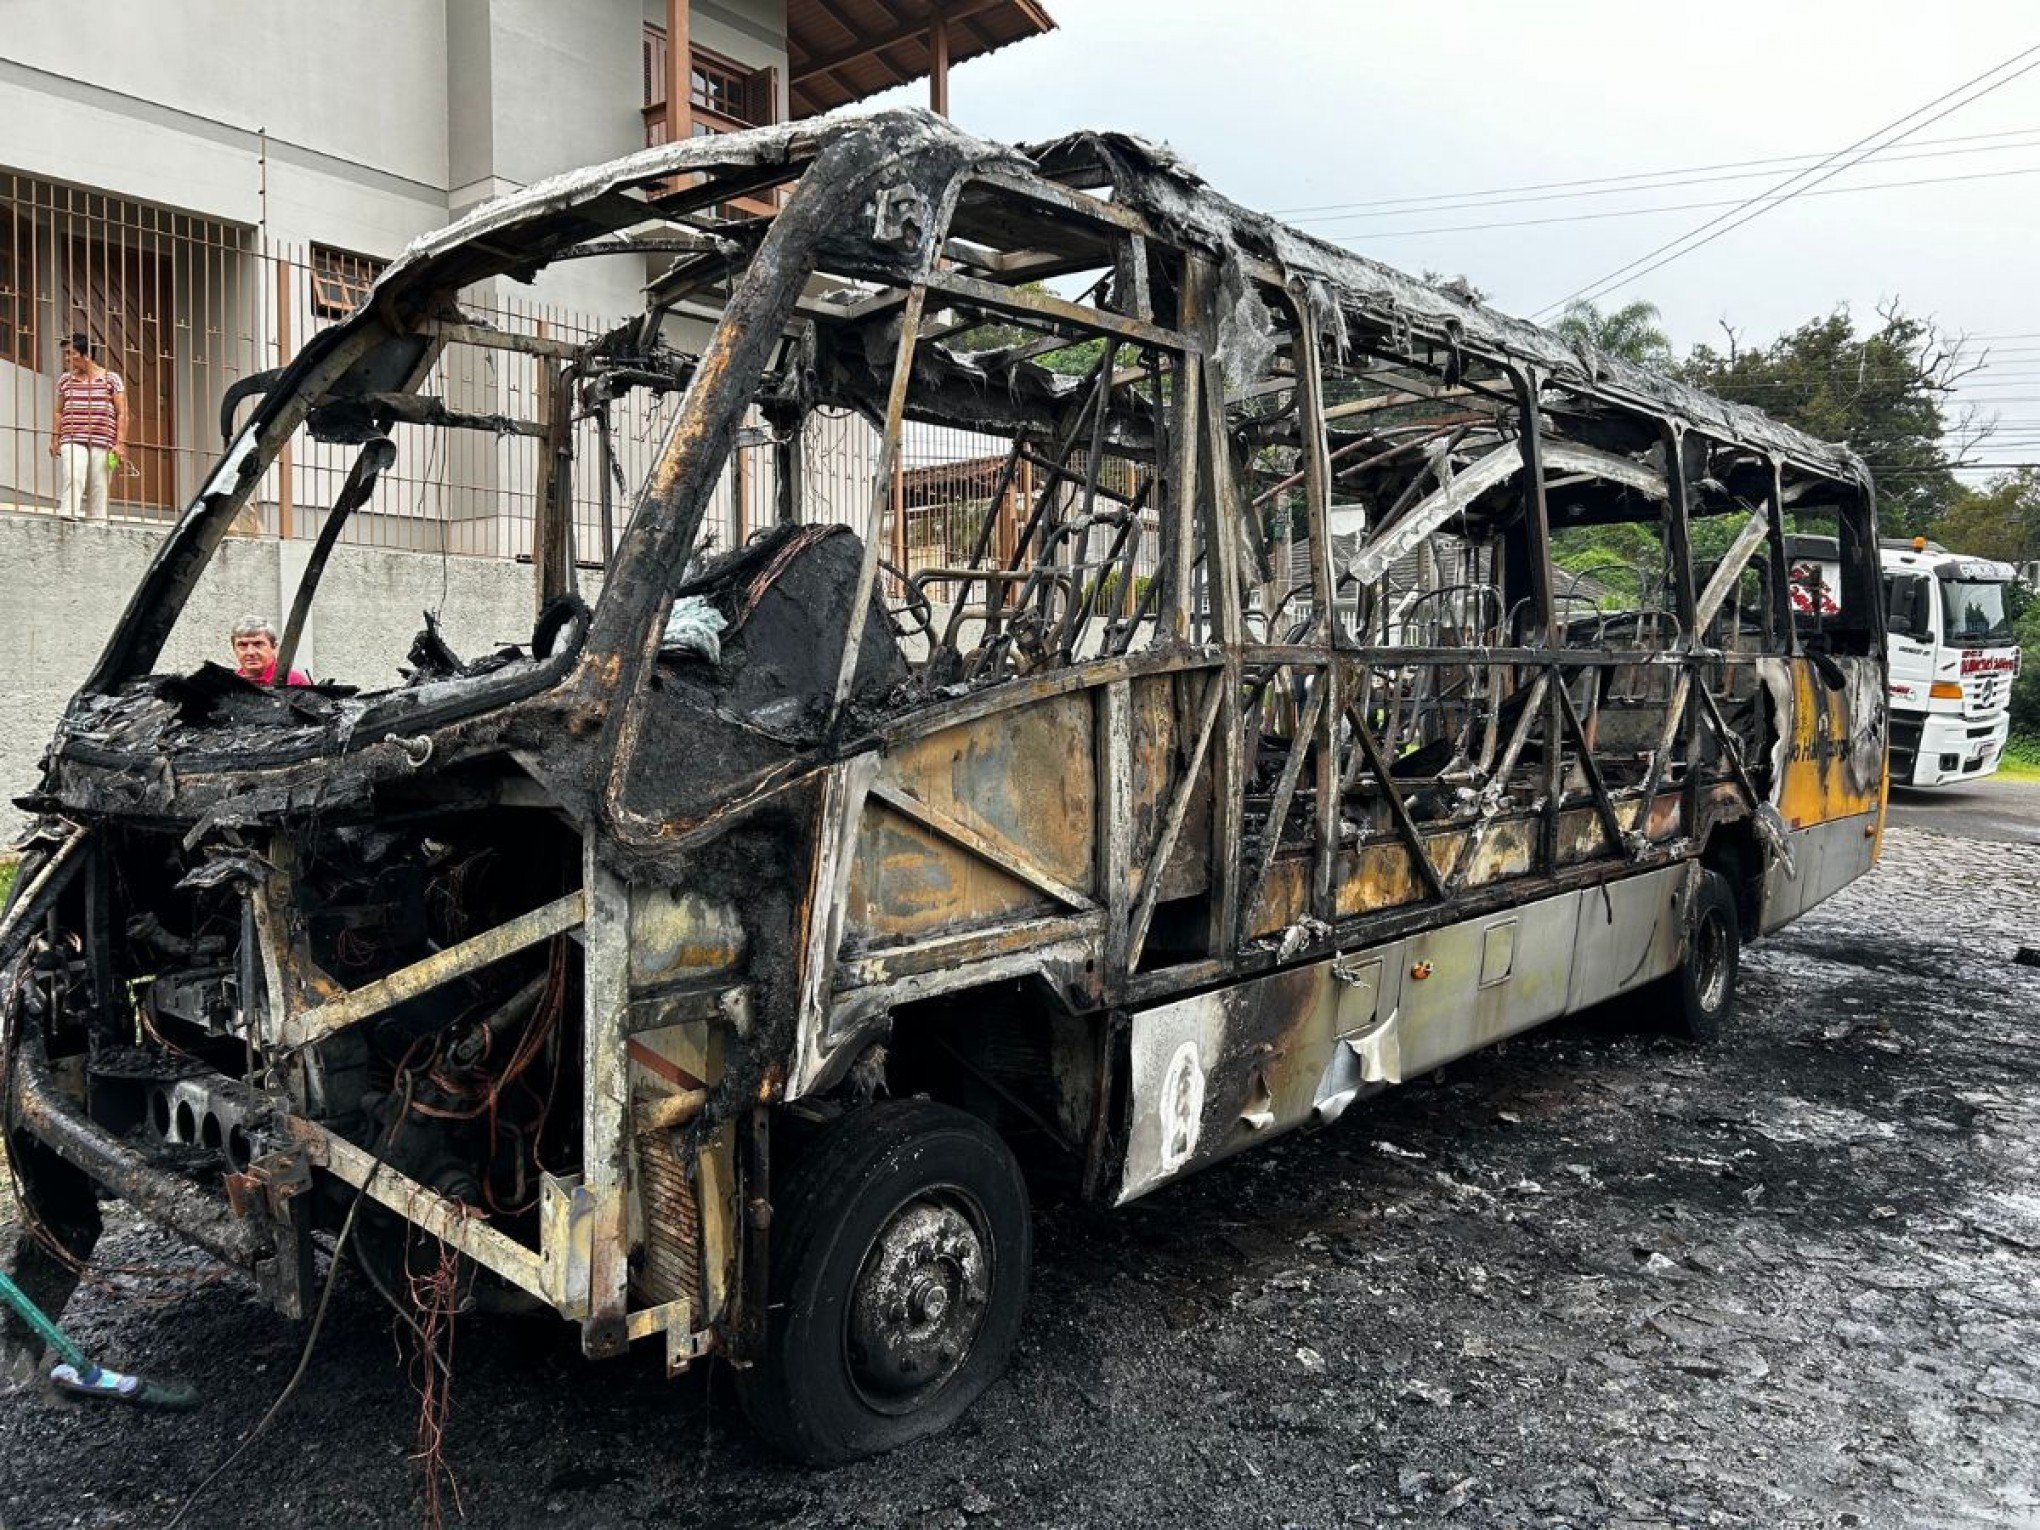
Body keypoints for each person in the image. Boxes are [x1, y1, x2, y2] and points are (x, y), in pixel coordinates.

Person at [47, 333, 127, 524]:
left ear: (86, 355)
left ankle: (96, 522)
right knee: (73, 473)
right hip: (72, 436)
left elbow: (122, 413)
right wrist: (54, 438)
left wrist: (120, 444)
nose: (66, 358)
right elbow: (58, 411)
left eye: (70, 353)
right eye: (65, 354)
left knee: (98, 484)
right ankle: (68, 514)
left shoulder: (111, 379)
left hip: (103, 438)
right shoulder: (65, 380)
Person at [230, 616, 310, 687]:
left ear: (274, 647)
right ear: (234, 649)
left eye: (258, 644)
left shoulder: (295, 682)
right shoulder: (229, 684)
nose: (250, 652)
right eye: (243, 645)